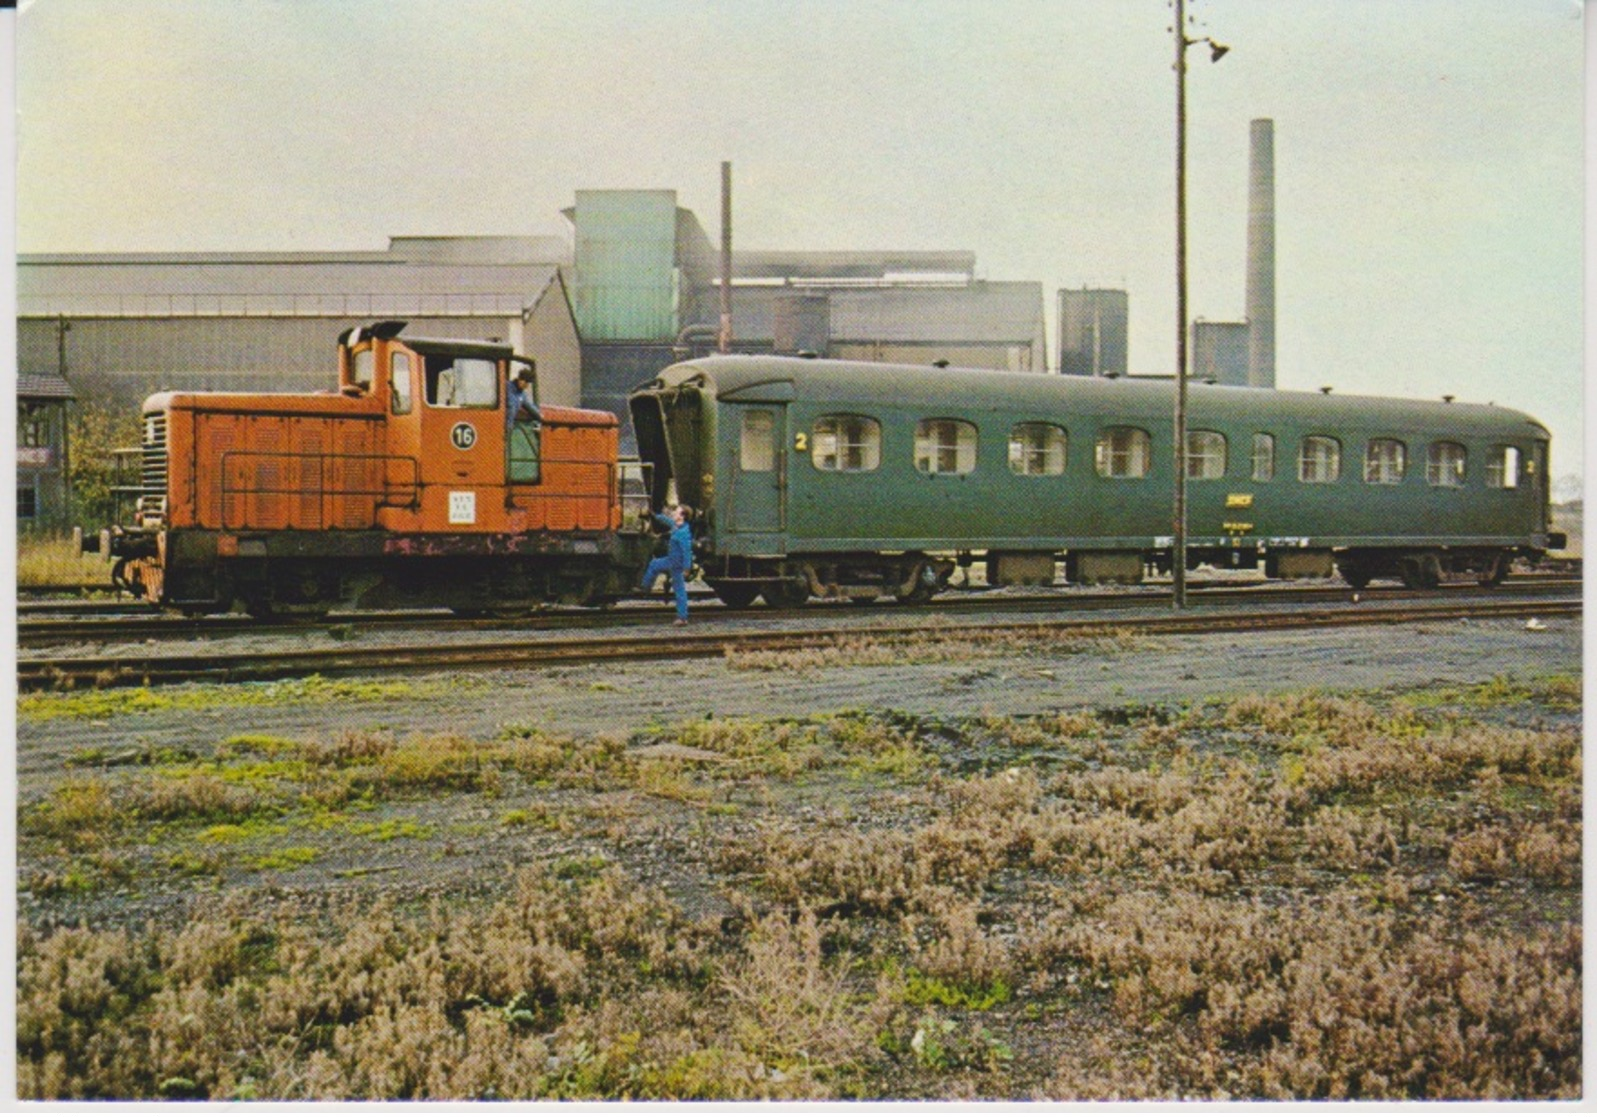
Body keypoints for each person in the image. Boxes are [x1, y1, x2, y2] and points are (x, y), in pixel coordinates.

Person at [640, 504, 694, 625]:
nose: (674, 513)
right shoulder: (677, 527)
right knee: (678, 588)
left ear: (682, 516)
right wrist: (653, 515)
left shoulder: (683, 533)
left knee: (655, 565)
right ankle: (682, 617)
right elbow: (667, 520)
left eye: (676, 512)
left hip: (675, 563)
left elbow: (687, 551)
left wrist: (687, 567)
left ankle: (645, 587)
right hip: (673, 561)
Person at [506, 365, 541, 430]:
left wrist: (541, 416)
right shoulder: (506, 387)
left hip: (509, 428)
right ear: (520, 379)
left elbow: (530, 407)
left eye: (528, 383)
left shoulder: (522, 395)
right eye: (525, 381)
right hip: (499, 424)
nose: (526, 385)